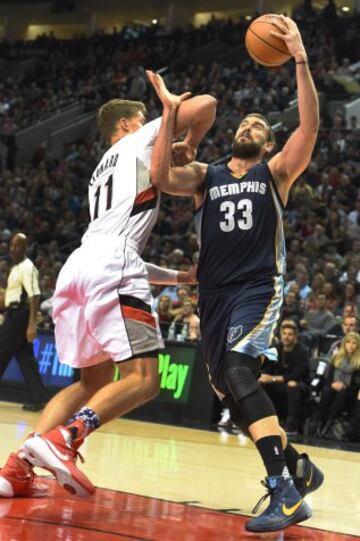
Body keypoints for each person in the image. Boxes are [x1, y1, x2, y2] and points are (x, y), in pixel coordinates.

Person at [0, 79, 217, 498]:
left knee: (90, 381)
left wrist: (178, 278)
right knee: (145, 378)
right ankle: (65, 439)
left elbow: (120, 247)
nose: (151, 123)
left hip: (79, 266)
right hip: (110, 264)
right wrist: (185, 134)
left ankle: (15, 469)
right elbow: (207, 103)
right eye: (143, 118)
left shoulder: (103, 168)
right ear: (127, 123)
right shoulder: (139, 139)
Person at [148, 16, 323, 533]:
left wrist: (300, 59)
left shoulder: (277, 173)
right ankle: (296, 466)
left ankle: (285, 493)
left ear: (268, 145)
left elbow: (309, 127)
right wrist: (170, 117)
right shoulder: (208, 175)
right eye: (244, 124)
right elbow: (159, 176)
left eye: (259, 127)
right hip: (214, 297)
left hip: (256, 289)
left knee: (243, 373)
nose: (249, 126)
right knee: (231, 391)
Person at [0, 233, 49, 411]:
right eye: (12, 245)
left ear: (25, 247)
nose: (13, 249)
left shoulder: (28, 267)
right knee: (25, 358)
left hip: (20, 316)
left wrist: (31, 324)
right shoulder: (16, 268)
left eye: (18, 245)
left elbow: (34, 296)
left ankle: (39, 397)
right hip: (14, 313)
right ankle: (39, 398)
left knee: (1, 350)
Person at [260, 320, 310, 434]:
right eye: (284, 333)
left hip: (301, 385)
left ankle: (291, 426)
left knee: (292, 385)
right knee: (260, 383)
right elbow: (267, 370)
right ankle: (260, 420)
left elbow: (297, 375)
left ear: (296, 336)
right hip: (280, 385)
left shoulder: (302, 350)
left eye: (290, 334)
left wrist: (272, 378)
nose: (286, 337)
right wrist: (263, 377)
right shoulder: (276, 349)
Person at [312, 332, 360, 437]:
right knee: (327, 391)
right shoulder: (336, 358)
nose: (350, 345)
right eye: (348, 342)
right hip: (333, 387)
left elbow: (357, 385)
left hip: (349, 392)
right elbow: (327, 378)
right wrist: (333, 384)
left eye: (354, 343)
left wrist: (344, 386)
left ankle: (328, 425)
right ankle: (320, 423)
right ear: (344, 344)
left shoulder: (358, 363)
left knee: (342, 394)